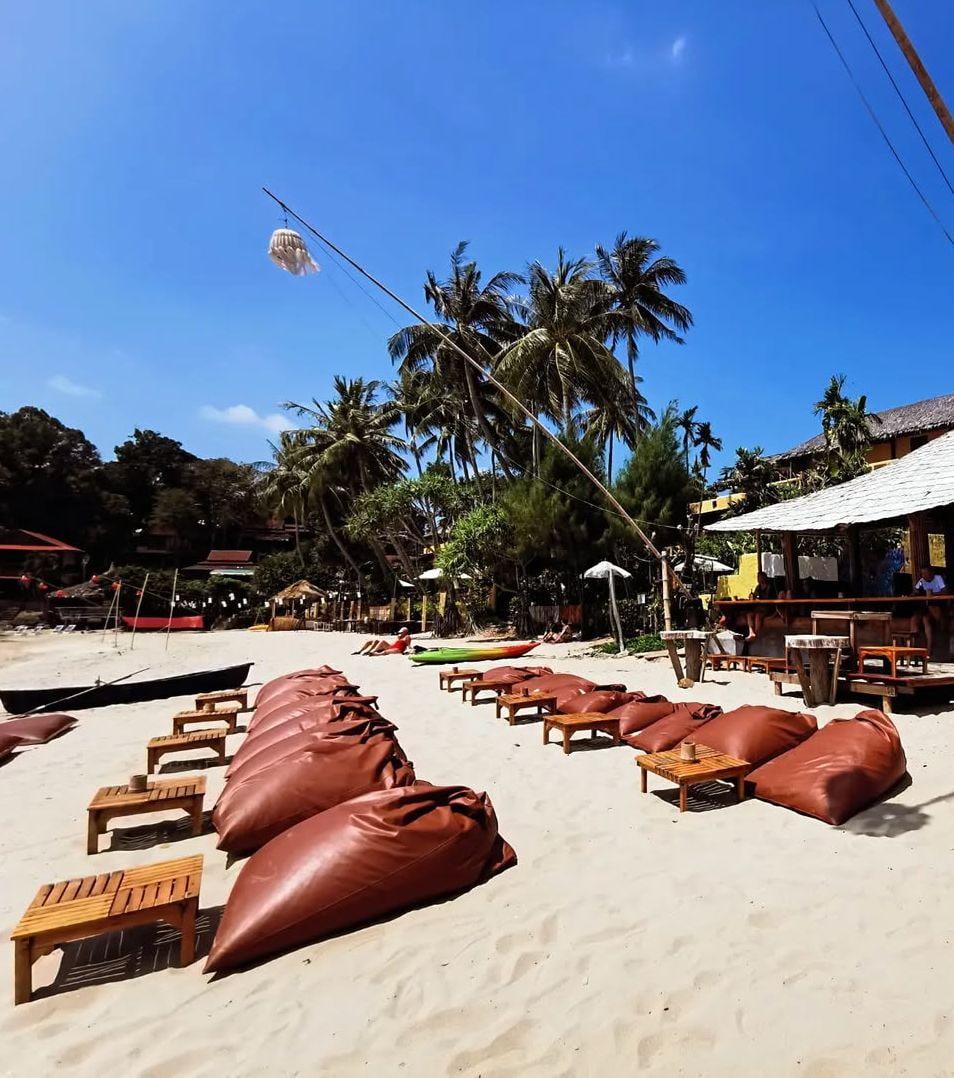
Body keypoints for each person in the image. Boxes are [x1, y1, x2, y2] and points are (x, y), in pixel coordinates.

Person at [911, 568, 946, 654]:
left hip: (936, 606)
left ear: (931, 573)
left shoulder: (938, 579)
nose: (924, 576)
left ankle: (929, 649)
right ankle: (912, 647)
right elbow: (915, 591)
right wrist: (913, 594)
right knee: (914, 618)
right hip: (924, 607)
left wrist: (933, 594)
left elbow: (945, 592)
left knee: (926, 619)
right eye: (922, 574)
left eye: (926, 573)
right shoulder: (921, 581)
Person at [746, 571, 778, 641]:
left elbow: (767, 597)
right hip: (760, 606)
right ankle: (751, 632)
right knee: (749, 615)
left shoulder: (769, 586)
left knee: (758, 616)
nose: (759, 579)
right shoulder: (758, 587)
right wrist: (753, 596)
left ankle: (756, 634)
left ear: (764, 577)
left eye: (760, 577)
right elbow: (754, 596)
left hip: (768, 606)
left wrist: (759, 598)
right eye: (758, 578)